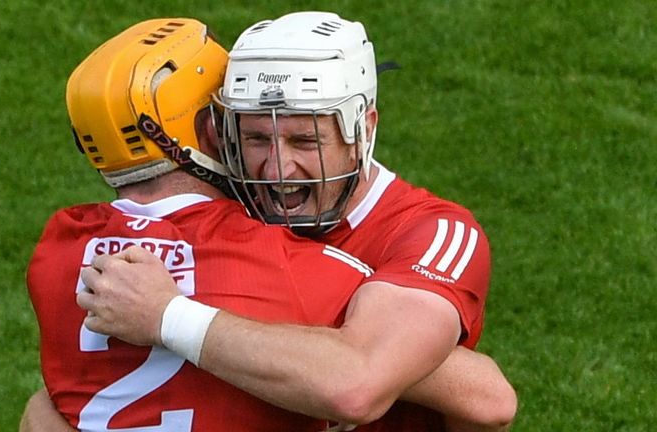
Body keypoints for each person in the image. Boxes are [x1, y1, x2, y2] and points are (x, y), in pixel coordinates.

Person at [72, 11, 517, 432]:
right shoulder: (220, 211)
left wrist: (169, 317)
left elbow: (378, 387)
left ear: (362, 130)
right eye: (256, 138)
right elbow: (58, 400)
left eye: (305, 140)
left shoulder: (431, 234)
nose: (276, 168)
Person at [27, 18, 370, 431]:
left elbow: (44, 409)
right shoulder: (295, 267)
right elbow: (384, 379)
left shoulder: (56, 253)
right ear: (211, 130)